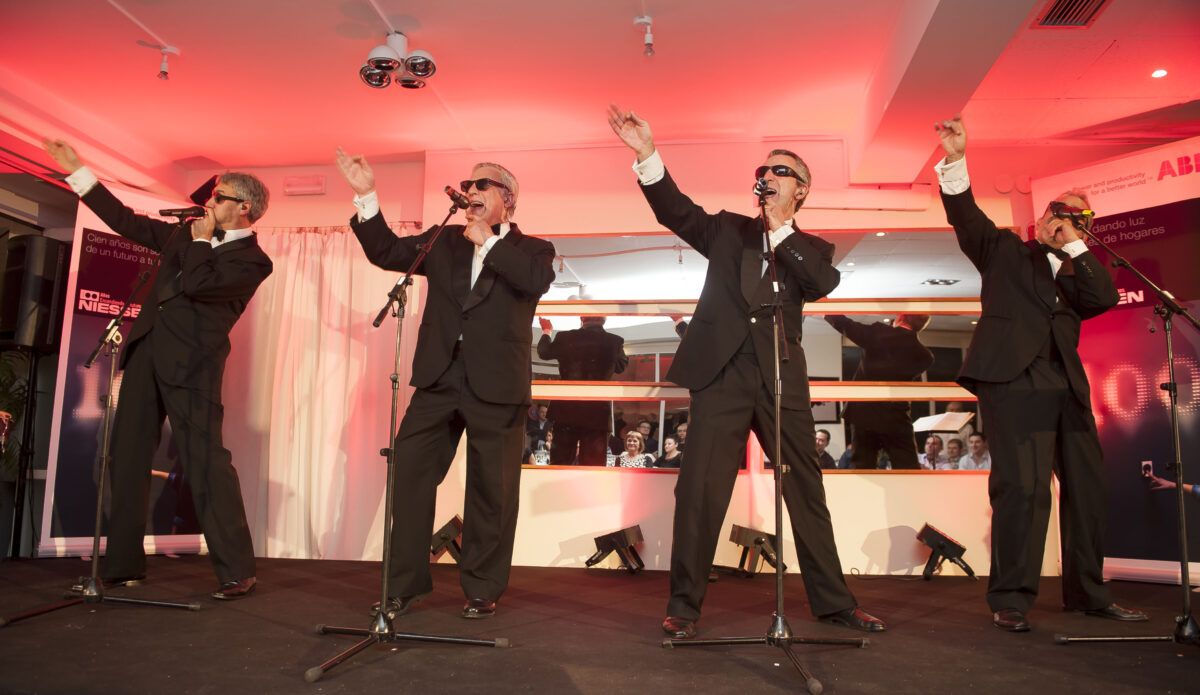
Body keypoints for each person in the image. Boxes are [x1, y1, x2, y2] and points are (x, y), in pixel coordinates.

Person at [608, 105, 885, 639]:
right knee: (700, 491)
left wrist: (782, 233)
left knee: (805, 487)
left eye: (779, 171)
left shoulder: (812, 249)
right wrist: (647, 153)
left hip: (780, 376)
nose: (767, 176)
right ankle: (685, 606)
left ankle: (834, 602)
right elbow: (676, 211)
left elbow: (821, 281)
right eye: (763, 170)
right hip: (723, 374)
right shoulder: (727, 231)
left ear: (800, 189)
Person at [934, 115, 1145, 632]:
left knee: (1087, 489)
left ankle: (1088, 594)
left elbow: (1103, 301)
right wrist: (957, 159)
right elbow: (965, 216)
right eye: (1060, 211)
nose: (1066, 219)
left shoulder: (1082, 272)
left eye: (1078, 216)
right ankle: (1011, 599)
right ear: (1042, 217)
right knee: (1022, 490)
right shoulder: (1005, 250)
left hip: (1066, 387)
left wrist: (1075, 243)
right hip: (1014, 384)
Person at [44, 139, 271, 600]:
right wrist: (79, 174)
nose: (209, 203)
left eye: (219, 197)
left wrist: (203, 239)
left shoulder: (253, 260)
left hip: (193, 365)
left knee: (206, 463)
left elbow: (203, 283)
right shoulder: (180, 237)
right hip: (148, 354)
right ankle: (122, 565)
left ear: (244, 208)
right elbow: (124, 220)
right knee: (125, 459)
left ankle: (236, 570)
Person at [335, 148, 555, 620]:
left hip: (496, 383)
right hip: (439, 375)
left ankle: (481, 588)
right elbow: (387, 252)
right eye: (469, 184)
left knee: (491, 489)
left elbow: (535, 282)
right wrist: (365, 195)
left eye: (483, 185)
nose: (471, 191)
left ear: (508, 199)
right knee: (410, 473)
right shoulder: (444, 240)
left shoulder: (533, 249)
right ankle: (405, 586)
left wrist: (488, 244)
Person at [825, 314, 933, 469]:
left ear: (900, 317)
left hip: (864, 413)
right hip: (897, 416)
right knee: (907, 467)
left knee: (862, 466)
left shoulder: (879, 334)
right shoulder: (925, 356)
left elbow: (846, 325)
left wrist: (826, 310)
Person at [536, 316, 628, 465]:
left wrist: (546, 330)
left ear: (582, 319)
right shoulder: (614, 341)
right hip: (597, 413)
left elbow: (544, 352)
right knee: (593, 466)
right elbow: (621, 366)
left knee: (560, 463)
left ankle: (558, 488)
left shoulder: (565, 337)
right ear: (604, 320)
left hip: (566, 410)